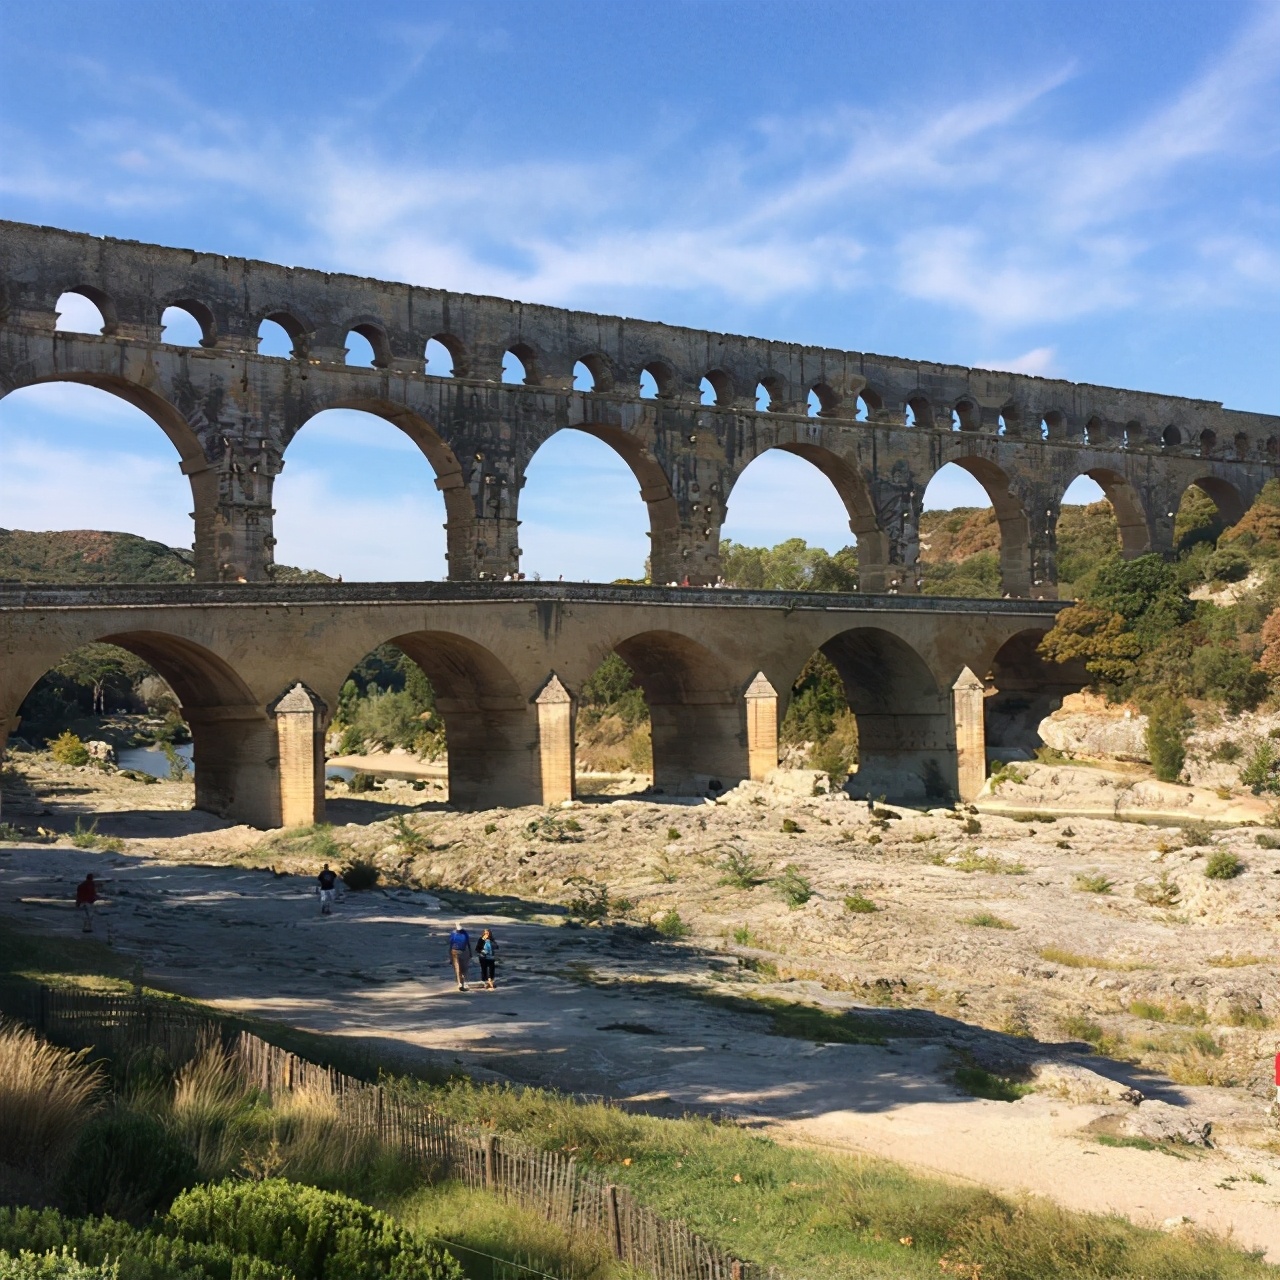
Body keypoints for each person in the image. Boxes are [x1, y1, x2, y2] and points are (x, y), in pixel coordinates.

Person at [448, 922, 472, 991]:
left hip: (455, 951)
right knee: (462, 969)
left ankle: (460, 983)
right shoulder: (465, 933)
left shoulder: (453, 933)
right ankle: (461, 983)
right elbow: (468, 943)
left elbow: (451, 944)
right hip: (461, 951)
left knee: (458, 968)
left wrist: (450, 956)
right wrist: (470, 953)